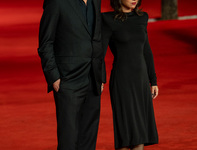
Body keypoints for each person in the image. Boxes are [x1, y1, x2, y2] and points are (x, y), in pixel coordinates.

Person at [37, 0, 106, 149]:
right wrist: (53, 76)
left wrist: (101, 75)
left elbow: (98, 38)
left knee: (88, 138)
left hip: (93, 77)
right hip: (68, 79)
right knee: (68, 139)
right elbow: (45, 42)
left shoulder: (96, 1)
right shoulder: (57, 2)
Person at [102, 0, 159, 150]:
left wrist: (153, 80)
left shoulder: (142, 18)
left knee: (140, 133)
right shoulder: (108, 20)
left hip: (140, 81)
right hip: (122, 81)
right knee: (126, 134)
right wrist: (100, 78)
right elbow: (99, 53)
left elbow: (146, 50)